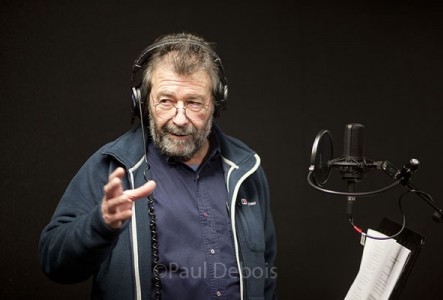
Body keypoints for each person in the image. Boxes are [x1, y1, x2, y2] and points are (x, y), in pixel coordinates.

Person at [39, 32, 277, 300]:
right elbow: (54, 263)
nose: (179, 118)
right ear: (142, 102)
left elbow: (266, 274)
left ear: (216, 103)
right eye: (165, 101)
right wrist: (100, 224)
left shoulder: (247, 169)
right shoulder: (111, 167)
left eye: (194, 103)